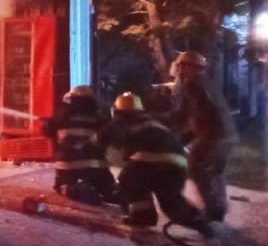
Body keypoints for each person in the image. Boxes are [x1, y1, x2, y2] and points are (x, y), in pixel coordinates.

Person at [101, 92, 210, 235]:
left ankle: (143, 216)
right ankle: (199, 221)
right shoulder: (152, 121)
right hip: (177, 162)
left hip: (149, 158)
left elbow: (101, 138)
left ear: (117, 110)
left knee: (127, 181)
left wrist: (86, 146)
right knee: (170, 200)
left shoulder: (122, 120)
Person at [167, 51, 237, 223]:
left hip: (212, 136)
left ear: (192, 68)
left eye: (182, 66)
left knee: (198, 168)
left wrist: (154, 118)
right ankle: (218, 209)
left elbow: (183, 113)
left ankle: (213, 212)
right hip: (227, 135)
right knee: (215, 172)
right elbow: (202, 115)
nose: (179, 70)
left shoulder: (193, 85)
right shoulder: (206, 83)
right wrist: (185, 138)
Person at [41, 85, 118, 204]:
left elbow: (47, 131)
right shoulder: (97, 116)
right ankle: (107, 191)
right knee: (109, 189)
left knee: (61, 185)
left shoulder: (61, 115)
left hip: (68, 166)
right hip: (96, 166)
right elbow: (107, 136)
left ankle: (73, 189)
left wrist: (46, 123)